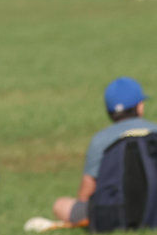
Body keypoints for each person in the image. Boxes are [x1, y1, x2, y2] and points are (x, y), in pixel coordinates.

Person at [45, 78, 155, 226]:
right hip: (154, 209)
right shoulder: (154, 132)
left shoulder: (100, 139)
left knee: (60, 205)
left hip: (114, 214)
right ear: (139, 107)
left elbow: (86, 191)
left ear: (109, 111)